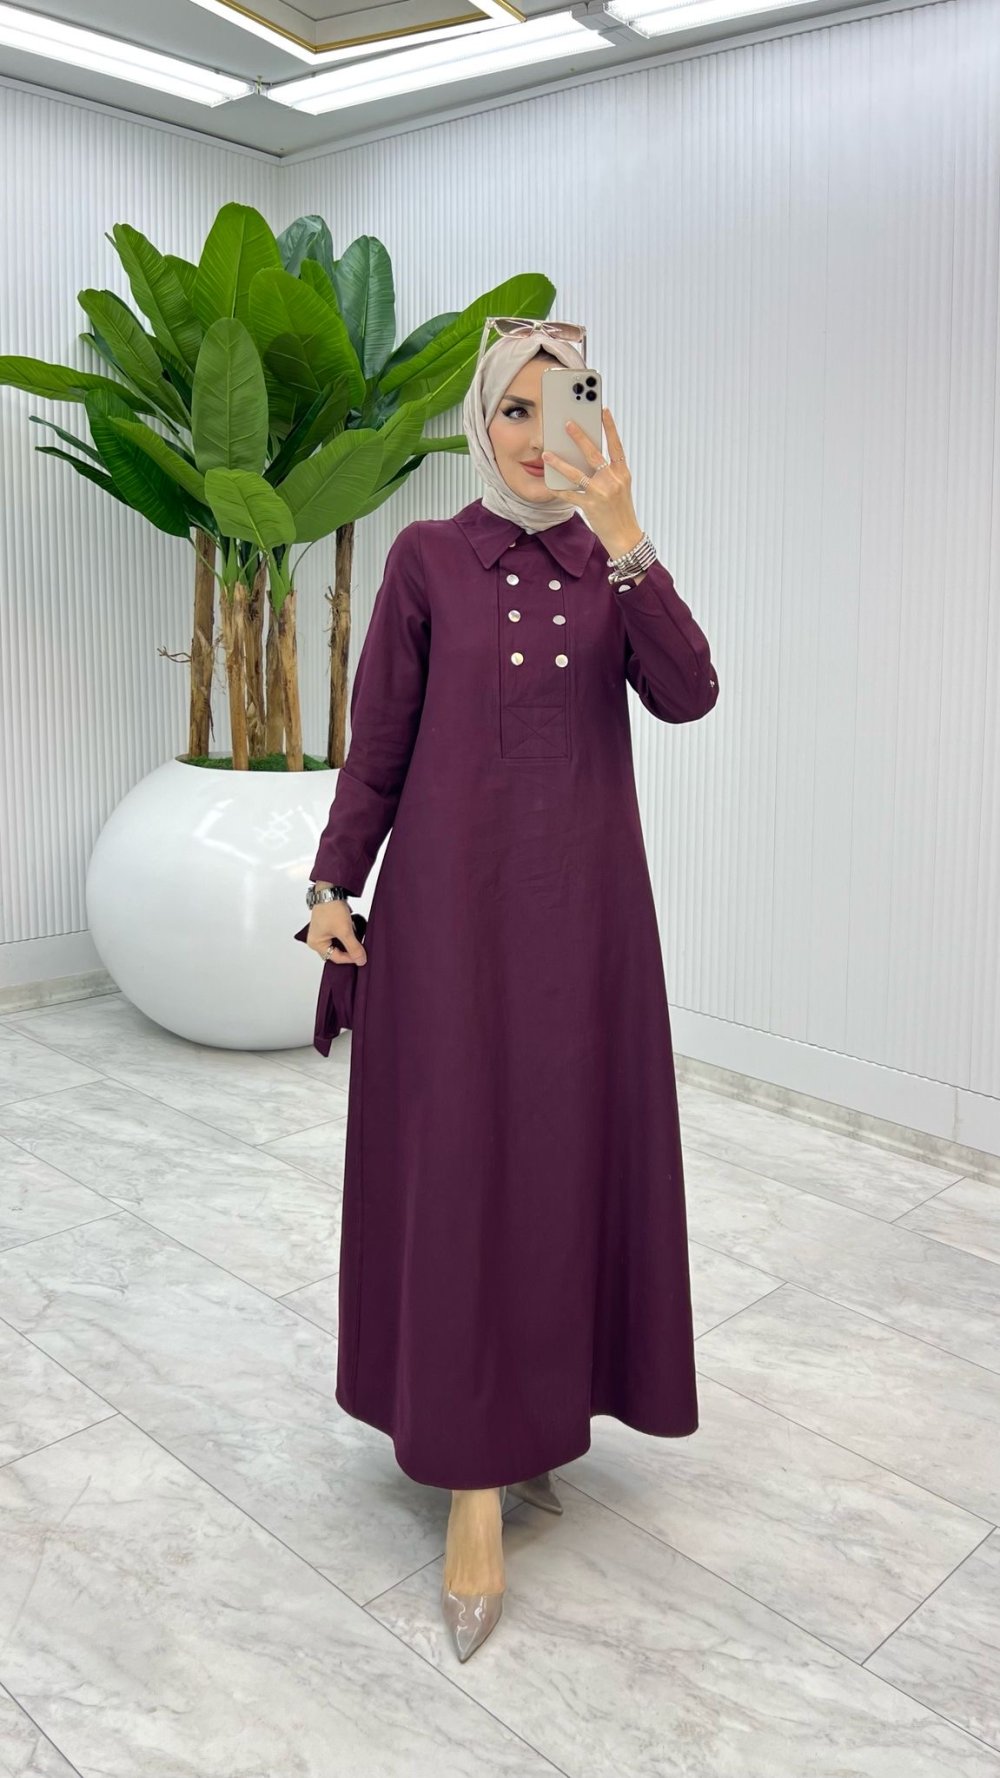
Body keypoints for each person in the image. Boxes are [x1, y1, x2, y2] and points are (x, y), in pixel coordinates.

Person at [304, 318, 720, 1662]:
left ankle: (538, 1419)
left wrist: (630, 536)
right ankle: (471, 1484)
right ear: (482, 424)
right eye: (515, 412)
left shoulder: (612, 568)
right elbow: (380, 741)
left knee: (561, 1166)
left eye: (566, 409)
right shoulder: (429, 559)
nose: (541, 440)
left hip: (588, 929)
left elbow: (690, 695)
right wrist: (333, 882)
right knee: (464, 1173)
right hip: (449, 928)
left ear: (599, 421)